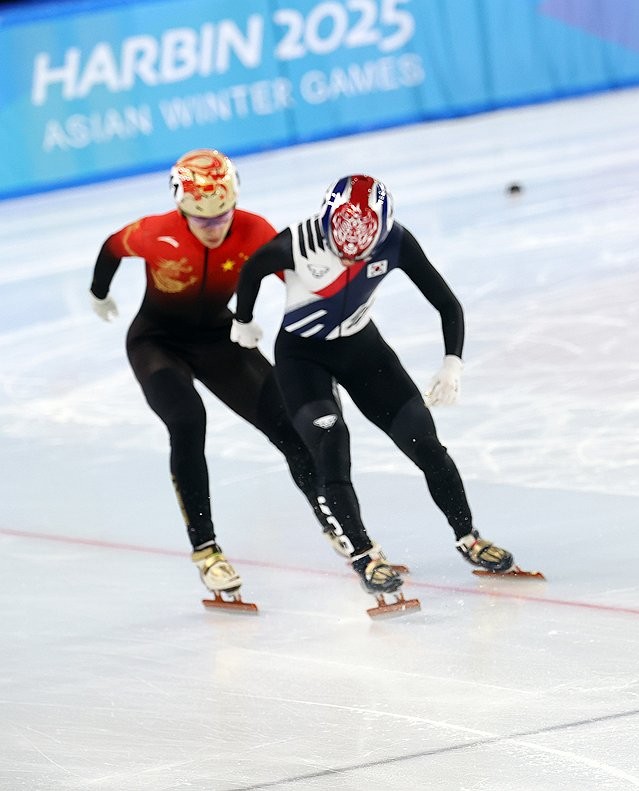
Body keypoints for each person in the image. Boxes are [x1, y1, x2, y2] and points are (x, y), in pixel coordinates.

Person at [231, 174, 520, 611]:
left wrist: (452, 363)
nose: (350, 257)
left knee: (425, 441)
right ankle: (365, 556)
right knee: (332, 443)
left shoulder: (395, 241)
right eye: (340, 245)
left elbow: (446, 303)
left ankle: (468, 537)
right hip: (302, 359)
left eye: (362, 251)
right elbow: (252, 267)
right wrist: (244, 318)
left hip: (363, 350)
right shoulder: (298, 241)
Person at [88, 148, 330, 607]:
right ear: (181, 209)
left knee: (290, 425)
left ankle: (336, 524)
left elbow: (297, 281)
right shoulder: (156, 231)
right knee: (186, 420)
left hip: (222, 340)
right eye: (203, 221)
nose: (216, 228)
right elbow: (111, 247)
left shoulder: (255, 229)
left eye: (223, 216)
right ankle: (206, 550)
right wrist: (98, 292)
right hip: (157, 343)